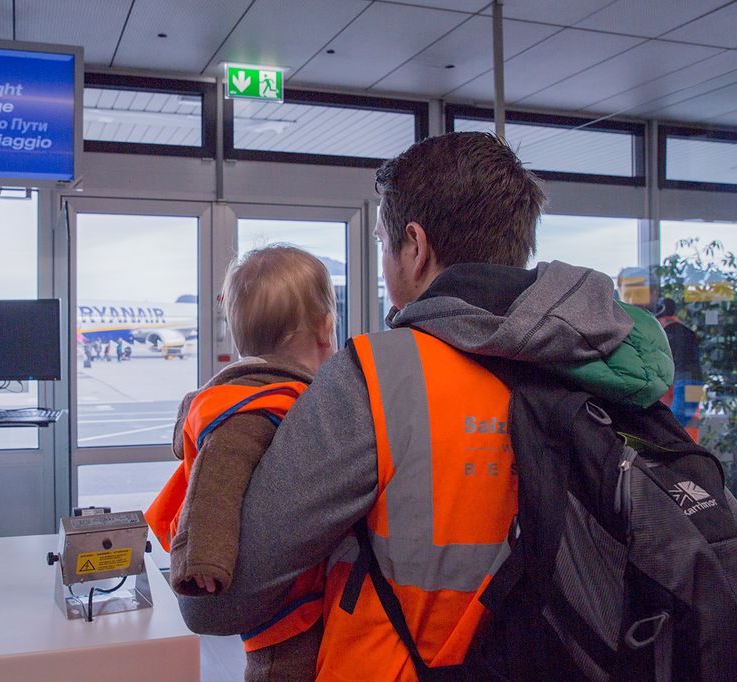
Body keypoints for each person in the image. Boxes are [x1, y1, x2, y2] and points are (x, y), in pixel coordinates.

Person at [176, 132, 673, 679]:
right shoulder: (616, 363)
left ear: (415, 246)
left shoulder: (377, 380)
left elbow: (216, 603)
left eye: (383, 246)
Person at [147, 246, 337, 681]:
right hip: (281, 614)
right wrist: (201, 562)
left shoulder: (266, 393)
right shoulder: (257, 406)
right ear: (326, 330)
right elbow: (216, 480)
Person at [656, 296, 704, 441]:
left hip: (683, 383)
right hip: (694, 384)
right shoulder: (687, 331)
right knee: (687, 425)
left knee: (672, 429)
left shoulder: (668, 333)